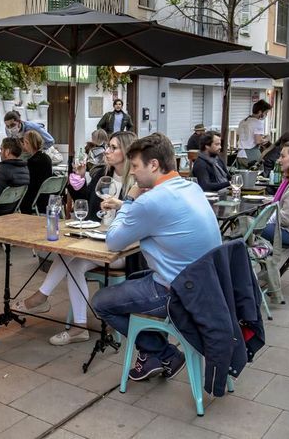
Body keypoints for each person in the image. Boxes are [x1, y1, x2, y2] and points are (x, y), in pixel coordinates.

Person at [91, 133, 222, 380]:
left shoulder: (149, 200)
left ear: (154, 165)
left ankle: (163, 352)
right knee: (137, 278)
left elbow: (113, 242)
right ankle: (150, 356)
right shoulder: (191, 187)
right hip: (209, 285)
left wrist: (129, 199)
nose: (134, 174)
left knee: (101, 301)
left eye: (137, 167)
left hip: (178, 293)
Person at [12, 131, 138, 346]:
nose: (107, 151)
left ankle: (42, 297)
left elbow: (139, 216)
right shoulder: (101, 174)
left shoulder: (136, 181)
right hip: (98, 240)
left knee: (70, 258)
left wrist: (120, 205)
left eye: (113, 147)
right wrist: (79, 180)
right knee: (72, 261)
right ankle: (79, 327)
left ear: (126, 151)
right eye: (107, 146)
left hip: (124, 249)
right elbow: (85, 202)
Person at [19, 131, 53, 214]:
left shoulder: (32, 161)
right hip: (46, 197)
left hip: (35, 199)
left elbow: (30, 183)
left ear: (27, 143)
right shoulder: (47, 158)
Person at [236, 100, 271, 168]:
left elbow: (238, 136)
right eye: (266, 113)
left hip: (240, 154)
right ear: (260, 112)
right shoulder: (258, 123)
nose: (266, 115)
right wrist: (267, 138)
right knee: (258, 173)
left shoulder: (242, 122)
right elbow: (258, 141)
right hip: (251, 153)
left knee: (242, 176)